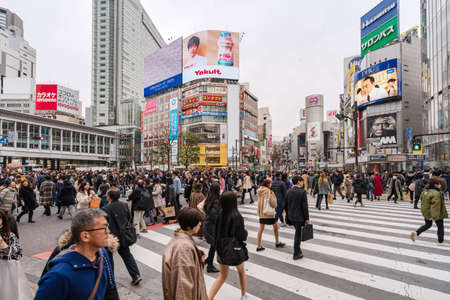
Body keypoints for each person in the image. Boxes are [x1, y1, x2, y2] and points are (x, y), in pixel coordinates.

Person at [35, 209, 116, 300]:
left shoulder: (102, 254)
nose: (108, 231)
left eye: (107, 226)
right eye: (104, 228)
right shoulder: (58, 275)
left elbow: (111, 288)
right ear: (85, 236)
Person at [209, 192, 249, 300]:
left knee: (222, 276)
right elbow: (241, 236)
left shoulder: (219, 214)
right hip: (235, 249)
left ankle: (209, 298)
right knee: (241, 272)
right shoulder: (237, 216)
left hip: (222, 248)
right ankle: (243, 295)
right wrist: (245, 233)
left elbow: (216, 233)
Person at [162, 207, 207, 300]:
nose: (200, 226)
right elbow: (182, 287)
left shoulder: (181, 239)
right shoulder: (184, 248)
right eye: (199, 225)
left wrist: (197, 258)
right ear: (190, 226)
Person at [102, 187, 142, 286]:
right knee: (127, 256)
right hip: (123, 234)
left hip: (111, 236)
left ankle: (110, 280)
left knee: (108, 258)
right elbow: (129, 217)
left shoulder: (106, 208)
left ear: (109, 197)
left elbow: (103, 223)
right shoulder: (124, 205)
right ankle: (136, 275)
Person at [410, 177, 448, 245]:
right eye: (439, 184)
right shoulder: (436, 193)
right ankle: (440, 241)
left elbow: (423, 202)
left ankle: (416, 233)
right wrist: (434, 216)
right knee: (440, 226)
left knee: (428, 224)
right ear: (435, 185)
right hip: (435, 213)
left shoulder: (425, 191)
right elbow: (435, 206)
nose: (440, 185)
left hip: (426, 212)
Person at [285, 176, 310, 260]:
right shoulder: (302, 192)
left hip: (291, 216)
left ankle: (298, 251)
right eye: (302, 181)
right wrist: (307, 218)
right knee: (298, 235)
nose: (303, 183)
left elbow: (286, 206)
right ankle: (296, 253)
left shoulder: (288, 191)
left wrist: (287, 215)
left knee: (297, 233)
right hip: (299, 217)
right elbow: (305, 207)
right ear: (299, 182)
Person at [256, 179, 285, 251]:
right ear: (268, 184)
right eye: (270, 183)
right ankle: (277, 242)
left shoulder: (260, 191)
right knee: (275, 228)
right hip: (269, 213)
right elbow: (274, 204)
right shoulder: (269, 192)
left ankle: (259, 246)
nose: (271, 185)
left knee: (261, 229)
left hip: (262, 213)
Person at [202, 183, 221, 273]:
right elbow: (214, 215)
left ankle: (208, 261)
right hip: (211, 227)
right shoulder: (216, 200)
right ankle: (210, 265)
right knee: (214, 245)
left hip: (208, 225)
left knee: (213, 246)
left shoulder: (209, 198)